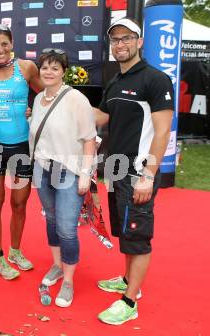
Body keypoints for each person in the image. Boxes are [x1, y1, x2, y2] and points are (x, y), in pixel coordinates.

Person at [94, 18, 174, 325]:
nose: (120, 44)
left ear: (139, 42)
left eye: (126, 38)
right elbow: (101, 116)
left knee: (138, 237)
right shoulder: (115, 81)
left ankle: (130, 302)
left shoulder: (155, 79)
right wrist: (59, 101)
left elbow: (162, 132)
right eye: (115, 40)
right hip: (115, 171)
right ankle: (127, 280)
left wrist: (149, 175)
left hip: (138, 173)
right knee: (127, 233)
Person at [0, 24, 42, 280]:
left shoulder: (27, 68)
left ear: (12, 43)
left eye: (4, 43)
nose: (0, 49)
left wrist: (34, 109)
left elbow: (48, 93)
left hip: (22, 145)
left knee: (20, 203)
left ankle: (15, 251)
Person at [29, 48, 96, 307]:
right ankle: (56, 265)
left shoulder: (76, 99)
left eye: (55, 68)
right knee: (52, 219)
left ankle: (68, 280)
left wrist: (85, 175)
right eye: (44, 67)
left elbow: (89, 139)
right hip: (43, 169)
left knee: (67, 228)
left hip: (69, 170)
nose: (48, 72)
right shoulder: (37, 99)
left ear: (63, 72)